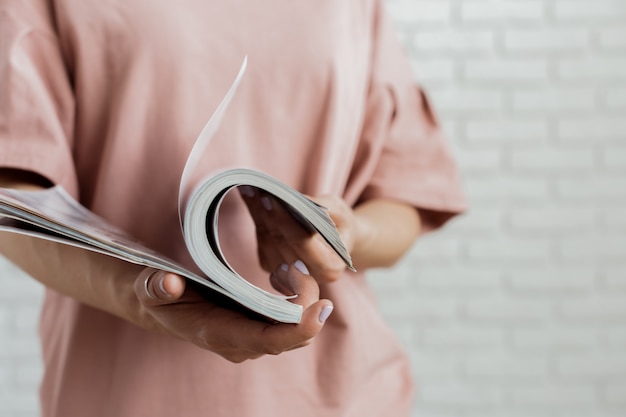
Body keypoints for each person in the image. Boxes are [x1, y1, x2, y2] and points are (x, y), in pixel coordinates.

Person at [0, 1, 467, 416]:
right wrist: (138, 295)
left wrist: (343, 234)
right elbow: (14, 197)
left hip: (341, 394)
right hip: (124, 392)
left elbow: (403, 193)